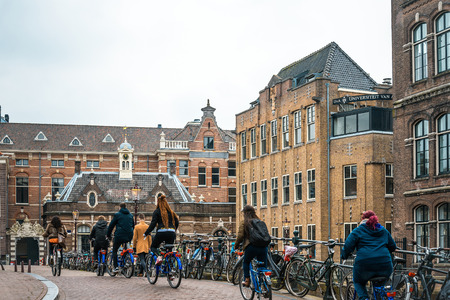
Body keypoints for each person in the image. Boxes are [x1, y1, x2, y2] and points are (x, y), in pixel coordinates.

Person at [341, 210, 397, 300]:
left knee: (358, 281)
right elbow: (393, 246)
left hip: (365, 265)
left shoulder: (358, 230)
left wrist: (344, 255)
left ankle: (364, 298)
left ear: (363, 219)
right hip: (384, 265)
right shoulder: (383, 230)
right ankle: (380, 296)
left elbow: (347, 246)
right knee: (380, 285)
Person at [235, 205, 268, 287]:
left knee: (246, 262)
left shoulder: (245, 222)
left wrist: (236, 245)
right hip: (263, 247)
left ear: (245, 213)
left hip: (251, 247)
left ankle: (247, 280)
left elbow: (240, 236)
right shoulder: (259, 221)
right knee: (263, 266)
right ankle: (265, 284)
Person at [144, 194, 179, 264]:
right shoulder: (171, 212)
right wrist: (173, 230)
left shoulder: (156, 211)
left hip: (161, 232)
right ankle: (170, 268)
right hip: (171, 232)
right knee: (169, 251)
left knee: (153, 247)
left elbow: (153, 224)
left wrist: (146, 233)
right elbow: (177, 222)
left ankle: (159, 257)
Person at [107, 202, 134, 273]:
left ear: (120, 207)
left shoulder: (117, 215)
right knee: (125, 247)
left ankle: (115, 267)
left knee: (115, 250)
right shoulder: (131, 215)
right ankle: (126, 262)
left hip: (119, 235)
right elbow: (133, 226)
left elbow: (111, 226)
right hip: (129, 235)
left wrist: (108, 235)